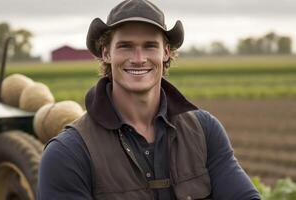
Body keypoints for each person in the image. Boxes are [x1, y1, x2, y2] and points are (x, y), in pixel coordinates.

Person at [38, 0, 261, 199]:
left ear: (165, 52)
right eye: (125, 46)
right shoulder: (68, 153)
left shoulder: (204, 130)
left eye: (150, 46)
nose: (139, 59)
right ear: (106, 53)